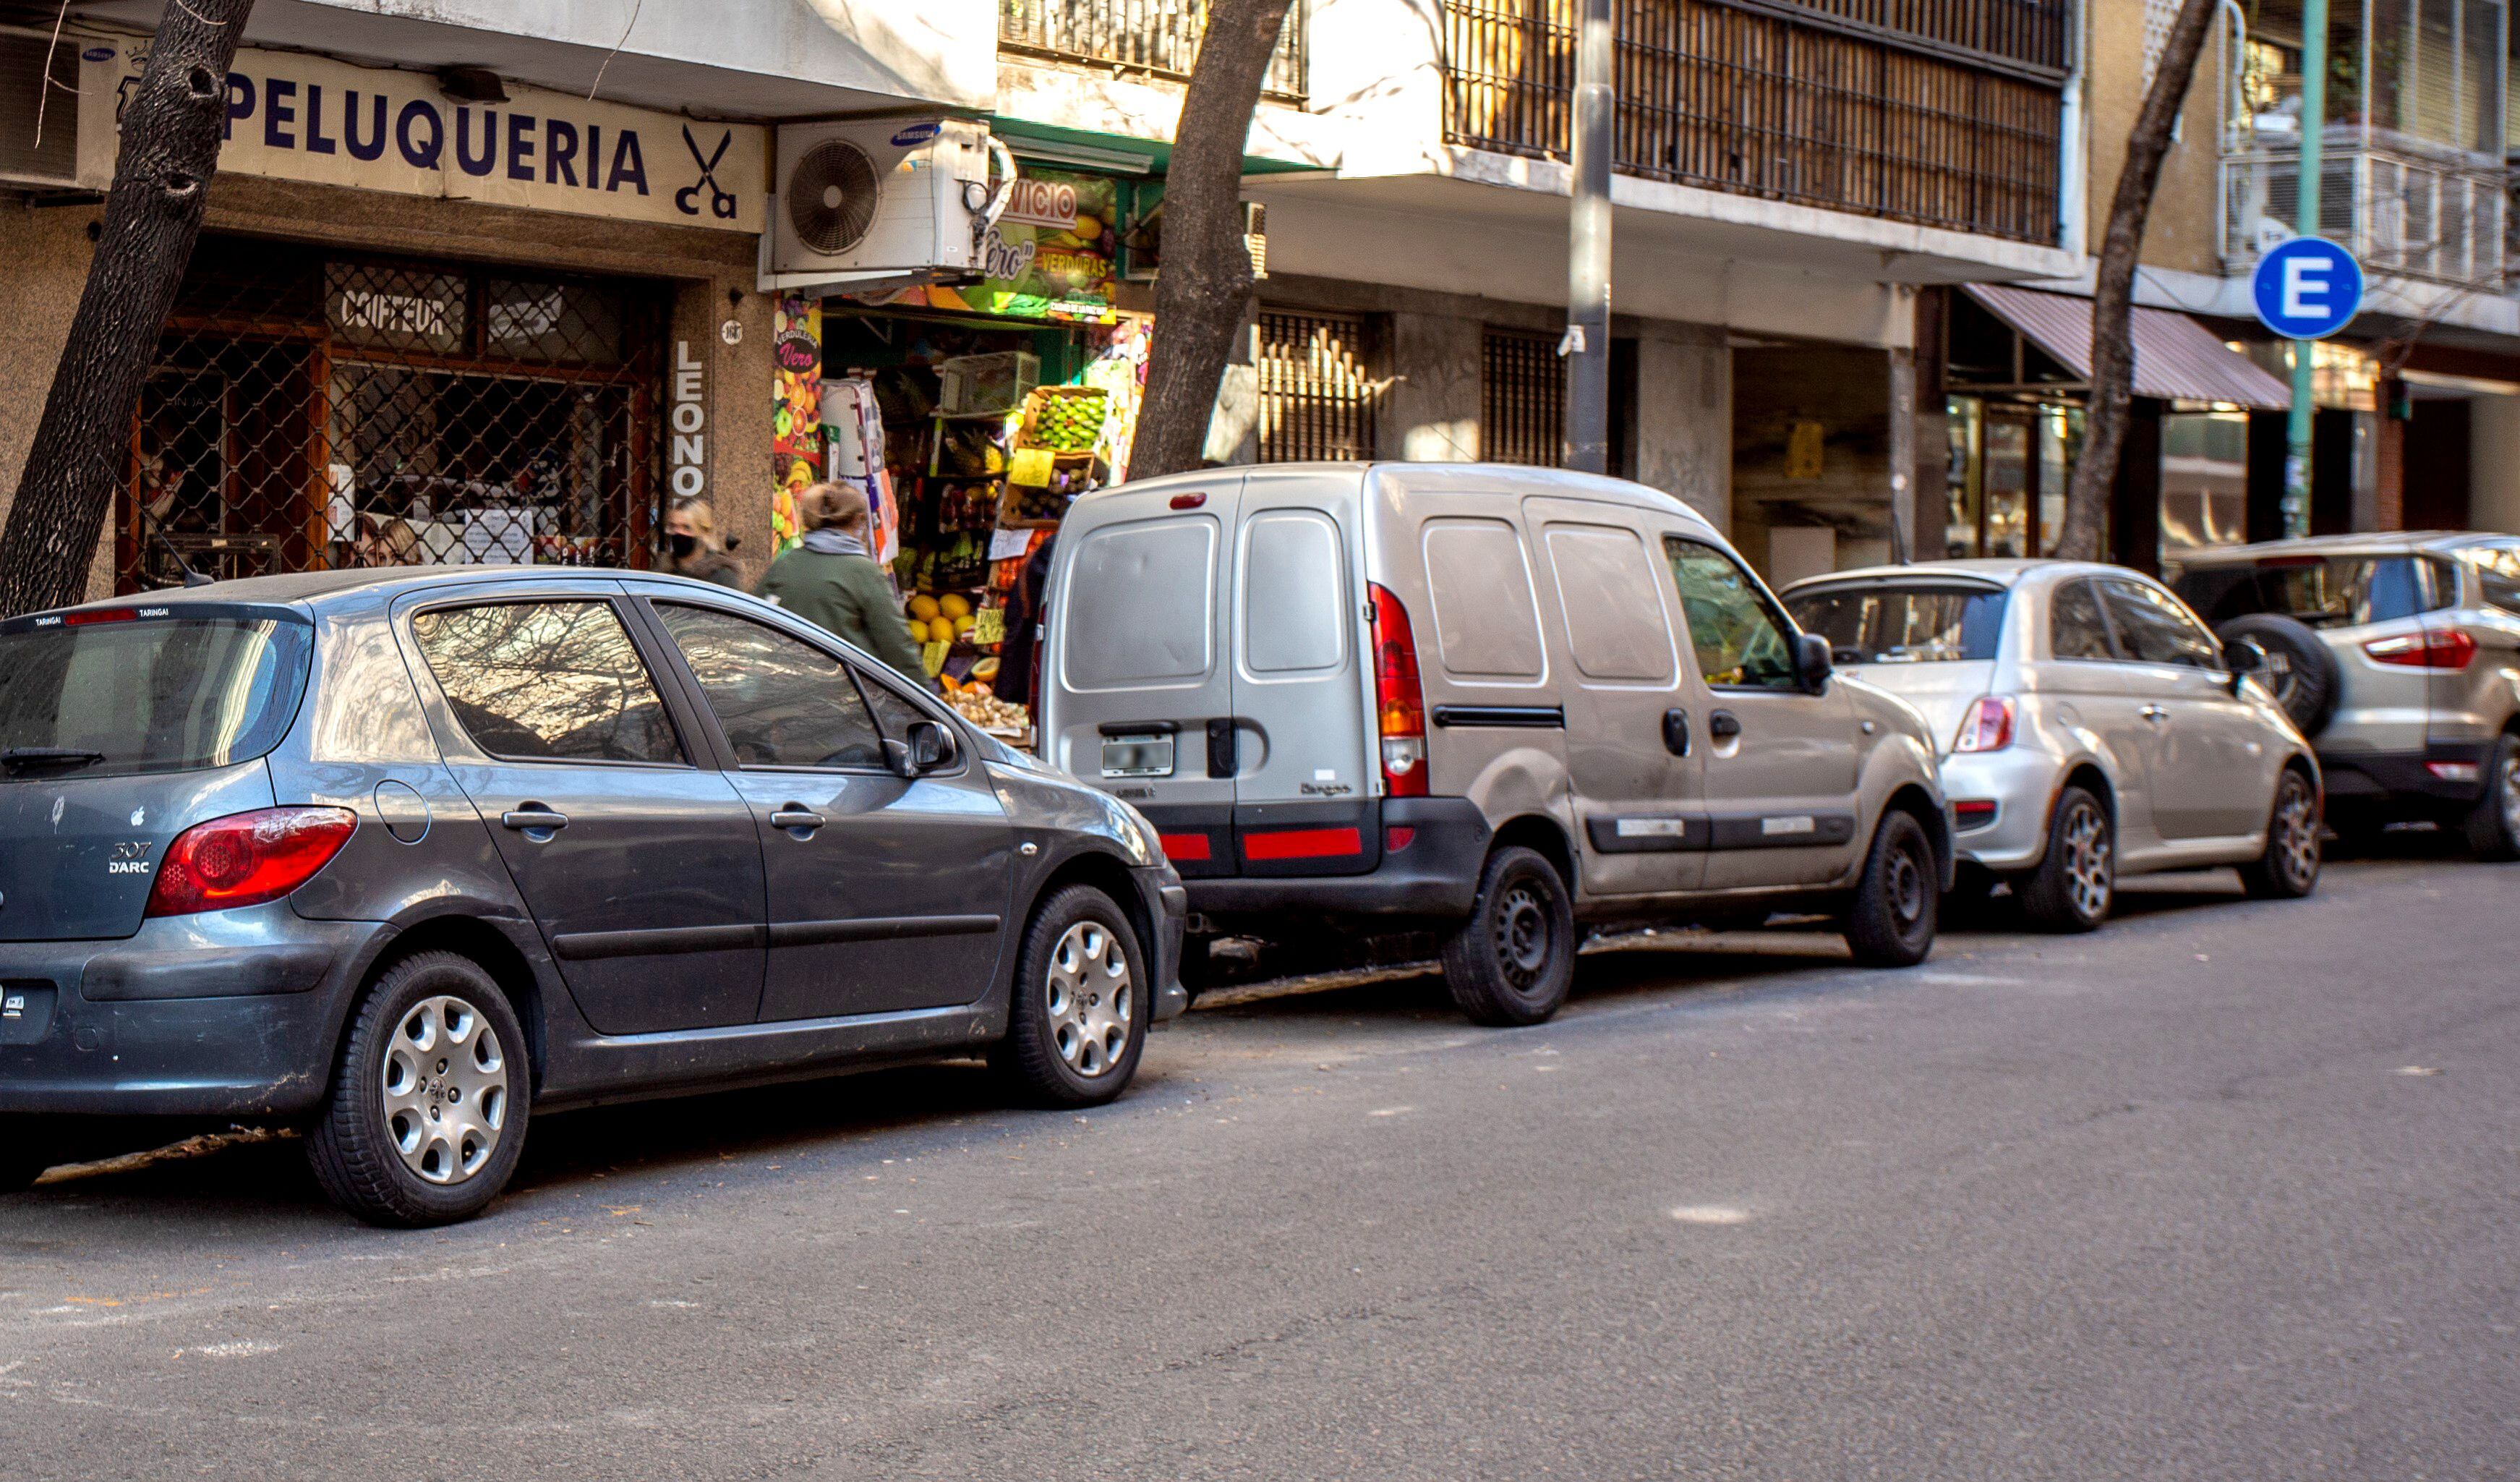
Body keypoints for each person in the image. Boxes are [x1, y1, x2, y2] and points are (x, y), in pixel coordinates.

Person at [756, 482, 926, 683]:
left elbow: (754, 627)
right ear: (858, 520)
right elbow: (897, 646)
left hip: (784, 692)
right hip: (844, 699)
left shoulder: (785, 563)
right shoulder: (864, 572)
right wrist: (929, 698)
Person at [667, 495, 746, 588]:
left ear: (704, 533)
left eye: (687, 528)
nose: (678, 532)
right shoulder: (663, 572)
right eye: (674, 526)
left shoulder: (722, 577)